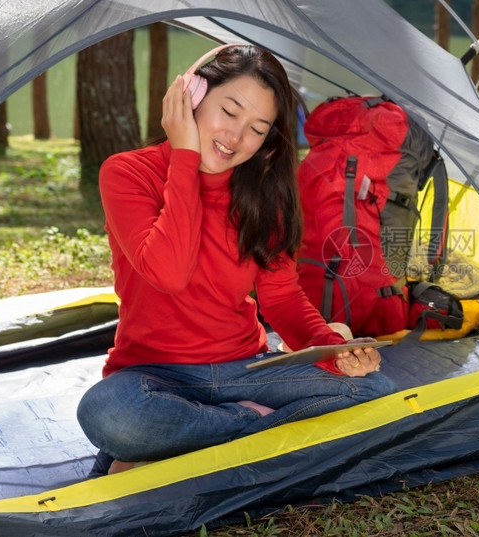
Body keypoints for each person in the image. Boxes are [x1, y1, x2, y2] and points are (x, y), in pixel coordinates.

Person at [77, 44, 396, 475]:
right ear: (190, 97)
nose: (235, 137)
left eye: (257, 128)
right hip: (153, 376)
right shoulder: (127, 173)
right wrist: (185, 156)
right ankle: (252, 423)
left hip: (244, 368)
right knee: (109, 415)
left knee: (375, 387)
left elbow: (281, 299)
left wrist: (335, 350)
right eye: (229, 111)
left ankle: (186, 442)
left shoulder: (263, 195)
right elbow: (168, 273)